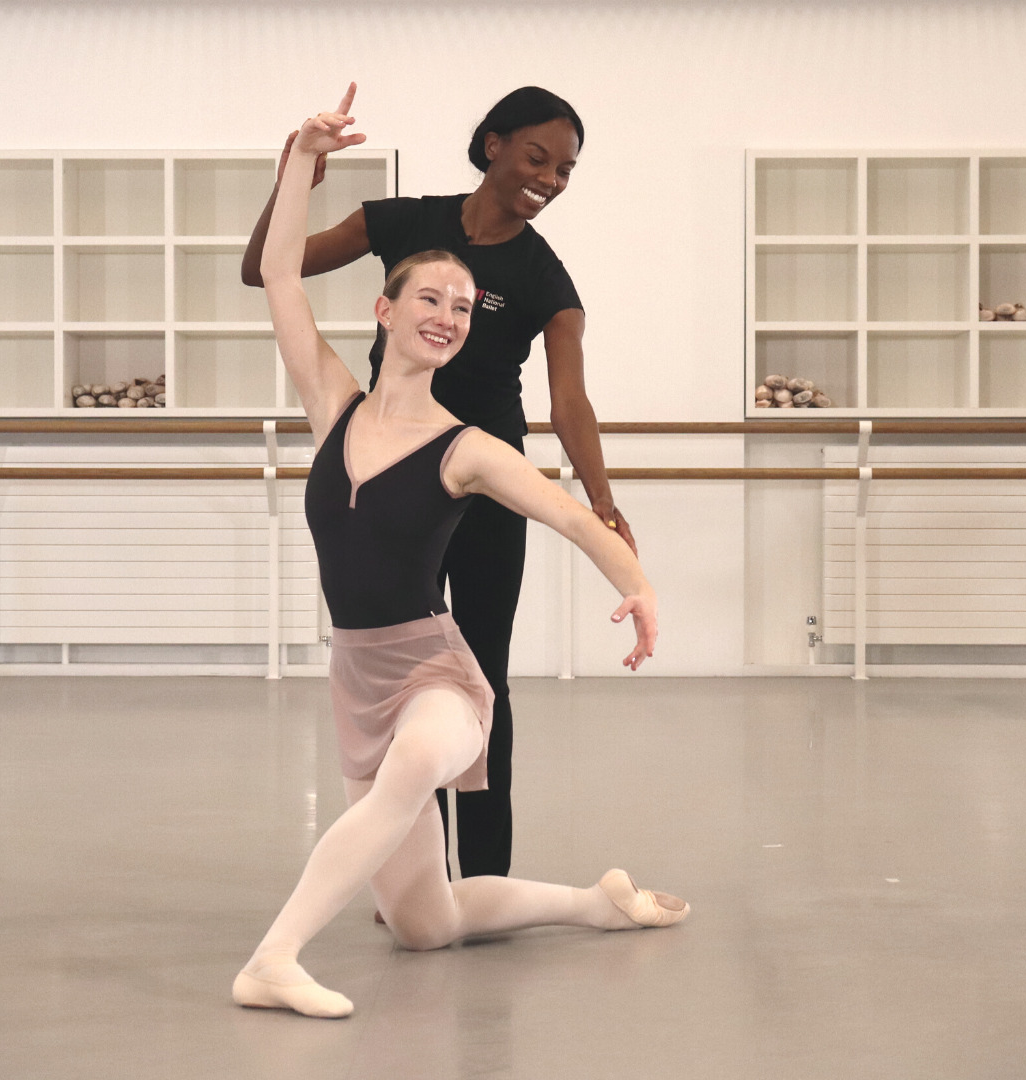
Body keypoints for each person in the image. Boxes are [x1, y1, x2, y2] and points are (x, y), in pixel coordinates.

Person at [233, 86, 686, 1021]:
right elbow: (276, 275)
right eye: (428, 300)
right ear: (384, 309)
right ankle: (591, 906)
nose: (447, 315)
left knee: (426, 754)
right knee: (424, 924)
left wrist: (633, 576)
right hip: (360, 671)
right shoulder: (337, 407)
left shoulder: (476, 439)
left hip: (437, 657)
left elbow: (565, 508)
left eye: (463, 309)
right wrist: (302, 158)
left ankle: (274, 957)